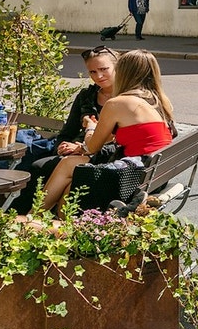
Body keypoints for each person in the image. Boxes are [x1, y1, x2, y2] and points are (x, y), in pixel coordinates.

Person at [35, 49, 176, 213]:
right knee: (69, 181)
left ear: (121, 72)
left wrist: (90, 127)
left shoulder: (117, 103)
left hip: (129, 177)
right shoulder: (156, 100)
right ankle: (45, 219)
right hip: (150, 174)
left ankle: (34, 219)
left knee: (67, 166)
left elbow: (92, 148)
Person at [8, 46, 122, 212]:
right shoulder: (86, 96)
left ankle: (25, 217)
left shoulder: (125, 100)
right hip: (75, 154)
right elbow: (67, 132)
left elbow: (120, 141)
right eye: (92, 72)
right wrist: (61, 148)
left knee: (40, 167)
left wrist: (81, 148)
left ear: (117, 67)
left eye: (104, 69)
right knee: (38, 166)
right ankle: (25, 217)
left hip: (104, 157)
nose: (98, 76)